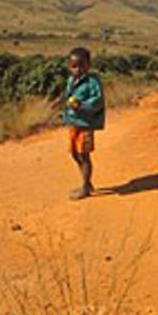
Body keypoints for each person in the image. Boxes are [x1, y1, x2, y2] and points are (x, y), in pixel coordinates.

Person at [62, 47, 105, 201]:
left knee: (83, 154)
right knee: (74, 153)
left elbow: (98, 101)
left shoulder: (93, 81)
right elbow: (67, 98)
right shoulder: (71, 80)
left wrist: (82, 105)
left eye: (81, 65)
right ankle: (86, 182)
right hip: (74, 122)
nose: (77, 69)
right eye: (74, 66)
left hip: (86, 123)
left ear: (88, 65)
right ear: (69, 66)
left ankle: (86, 187)